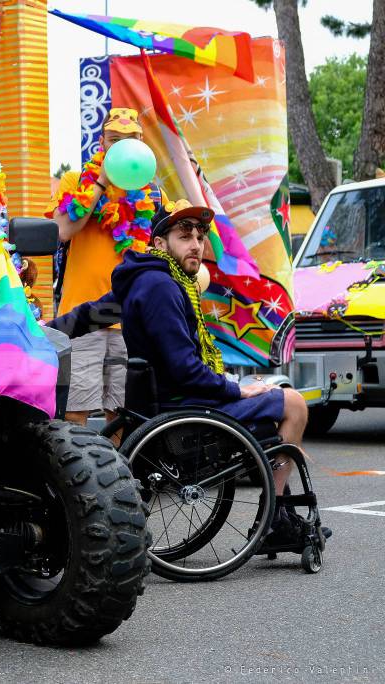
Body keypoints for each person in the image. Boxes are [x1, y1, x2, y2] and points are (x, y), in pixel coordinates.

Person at [48, 200, 328, 547]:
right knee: (295, 404)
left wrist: (44, 330)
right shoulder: (162, 287)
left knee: (266, 392)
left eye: (200, 236)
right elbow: (184, 369)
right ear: (160, 244)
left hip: (168, 400)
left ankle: (277, 514)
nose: (196, 244)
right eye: (184, 235)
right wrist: (234, 390)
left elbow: (91, 314)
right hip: (183, 405)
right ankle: (274, 519)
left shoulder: (144, 280)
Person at [44, 108, 165, 440]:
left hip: (131, 316)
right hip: (84, 314)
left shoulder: (152, 194)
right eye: (115, 140)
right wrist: (101, 182)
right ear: (101, 143)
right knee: (76, 407)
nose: (122, 148)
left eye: (130, 141)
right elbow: (61, 231)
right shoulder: (76, 181)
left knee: (123, 410)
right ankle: (72, 477)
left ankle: (118, 481)